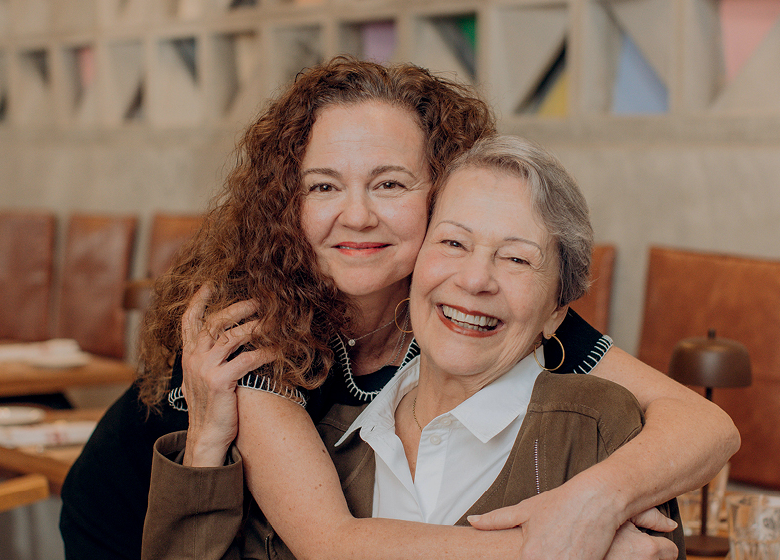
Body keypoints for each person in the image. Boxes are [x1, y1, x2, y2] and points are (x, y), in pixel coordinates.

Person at [60, 57, 737, 560]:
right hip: (137, 523)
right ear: (290, 204)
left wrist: (596, 500)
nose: (356, 215)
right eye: (324, 186)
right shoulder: (258, 318)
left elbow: (704, 425)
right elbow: (331, 544)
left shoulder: (469, 302)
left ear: (443, 194)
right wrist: (580, 545)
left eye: (389, 183)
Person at [143, 134, 688, 560]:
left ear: (556, 310)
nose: (475, 280)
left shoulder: (602, 432)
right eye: (452, 242)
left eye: (517, 258)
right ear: (413, 266)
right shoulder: (330, 440)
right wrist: (205, 448)